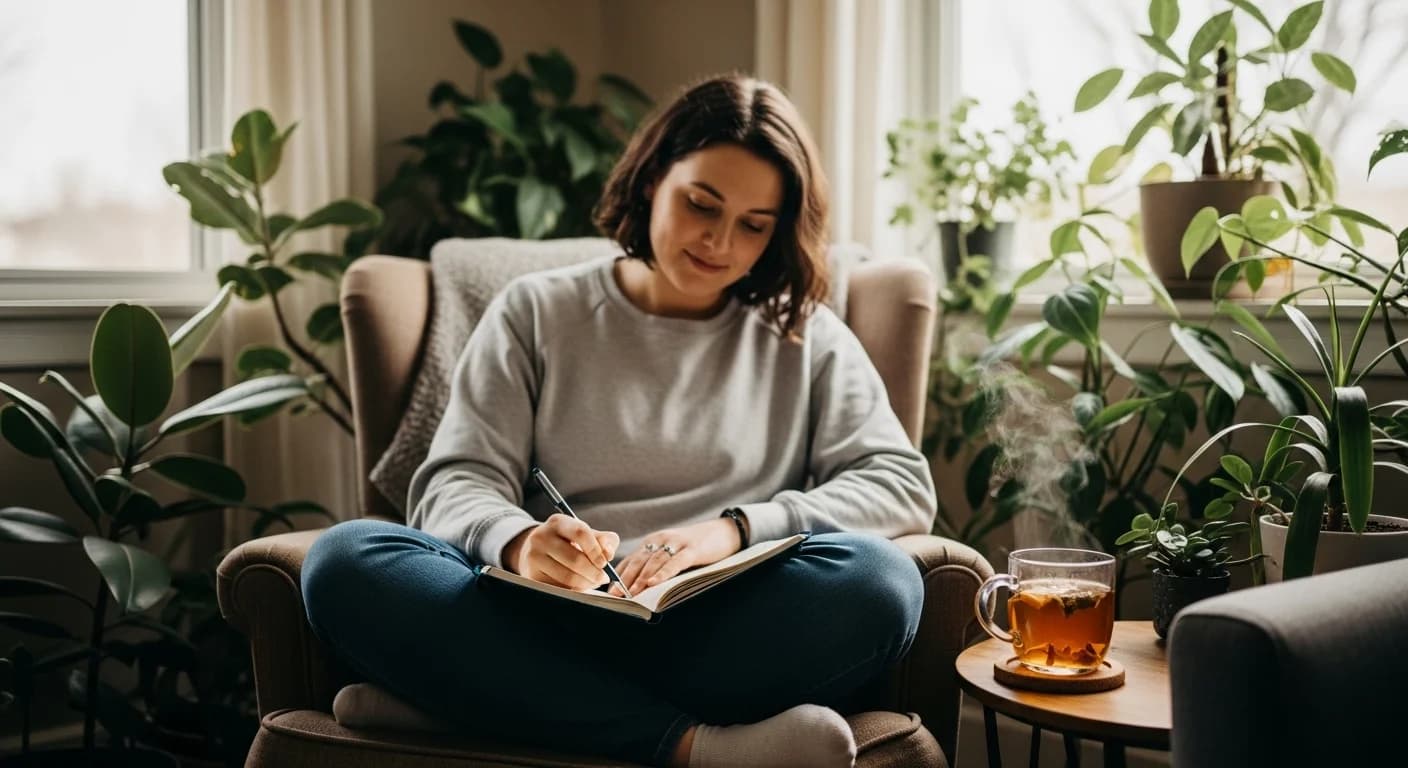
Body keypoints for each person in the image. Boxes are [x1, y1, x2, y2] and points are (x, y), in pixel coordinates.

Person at [301, 73, 937, 768]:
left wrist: (734, 532)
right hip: (541, 617)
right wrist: (520, 543)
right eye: (702, 204)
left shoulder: (803, 333)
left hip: (720, 628)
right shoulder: (535, 311)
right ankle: (693, 746)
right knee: (345, 559)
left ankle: (468, 701)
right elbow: (452, 482)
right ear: (652, 177)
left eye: (754, 226)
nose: (720, 242)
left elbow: (900, 486)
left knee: (883, 581)